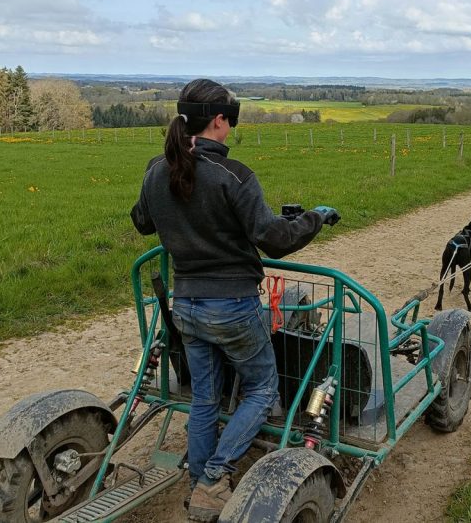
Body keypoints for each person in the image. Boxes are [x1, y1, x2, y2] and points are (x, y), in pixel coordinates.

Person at [130, 78, 340, 522]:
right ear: (220, 121)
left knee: (206, 396)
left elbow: (143, 222)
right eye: (232, 119)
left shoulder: (157, 169)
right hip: (232, 307)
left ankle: (198, 482)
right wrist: (316, 218)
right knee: (263, 390)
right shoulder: (234, 175)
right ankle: (215, 477)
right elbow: (274, 239)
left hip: (185, 305)